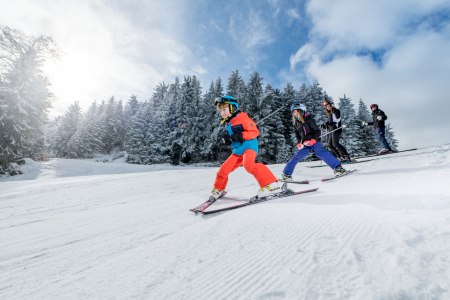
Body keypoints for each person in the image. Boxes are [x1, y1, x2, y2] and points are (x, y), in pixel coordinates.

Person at [211, 95, 283, 199]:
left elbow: (255, 132)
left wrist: (242, 135)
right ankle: (219, 189)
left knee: (249, 166)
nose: (223, 112)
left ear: (233, 107)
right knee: (223, 170)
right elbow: (235, 141)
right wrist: (229, 141)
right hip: (238, 150)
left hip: (249, 147)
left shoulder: (243, 118)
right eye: (220, 110)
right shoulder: (228, 124)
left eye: (225, 109)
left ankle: (271, 184)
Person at [281, 102, 347, 181]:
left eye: (296, 111)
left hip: (314, 141)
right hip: (306, 144)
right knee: (296, 157)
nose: (295, 113)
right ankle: (286, 174)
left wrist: (313, 140)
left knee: (320, 152)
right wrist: (299, 143)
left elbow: (317, 131)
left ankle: (338, 168)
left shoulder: (308, 119)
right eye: (293, 112)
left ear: (302, 111)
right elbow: (298, 136)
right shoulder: (296, 123)